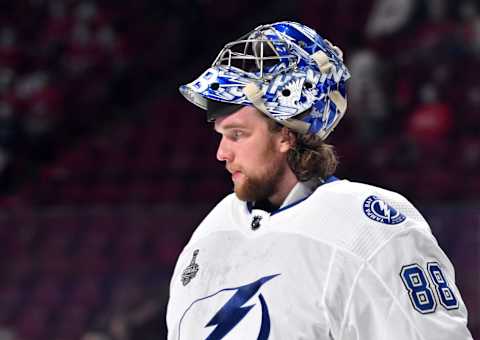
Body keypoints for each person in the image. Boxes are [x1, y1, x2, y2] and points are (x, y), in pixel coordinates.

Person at [166, 21, 473, 339]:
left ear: (285, 134)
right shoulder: (211, 233)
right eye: (221, 134)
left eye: (238, 134)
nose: (221, 153)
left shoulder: (367, 227)